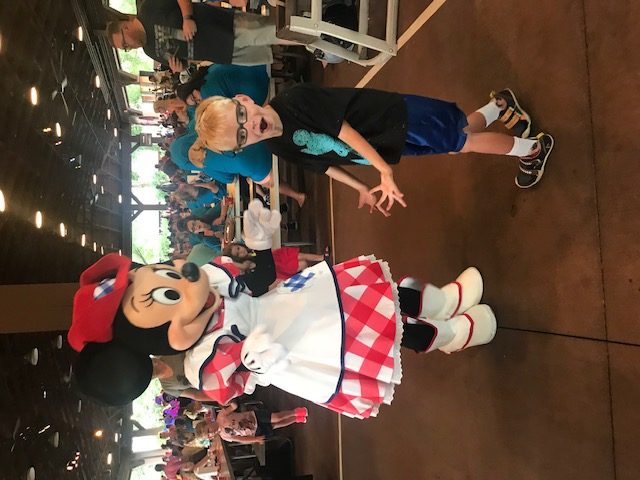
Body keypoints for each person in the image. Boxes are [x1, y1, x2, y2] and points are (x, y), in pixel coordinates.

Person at [69, 200, 497, 419]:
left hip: (301, 300)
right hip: (310, 346)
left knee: (385, 296)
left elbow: (257, 283)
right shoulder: (204, 364)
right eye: (167, 296)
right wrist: (257, 363)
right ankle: (449, 336)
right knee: (386, 337)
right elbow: (242, 382)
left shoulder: (215, 282)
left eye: (167, 273)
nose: (185, 278)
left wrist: (260, 246)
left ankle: (444, 301)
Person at [192, 85, 554, 216]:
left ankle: (533, 150)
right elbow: (323, 165)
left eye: (243, 116)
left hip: (395, 118)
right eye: (242, 136)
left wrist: (383, 171)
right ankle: (499, 106)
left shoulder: (294, 101)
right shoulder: (276, 144)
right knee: (453, 140)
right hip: (387, 144)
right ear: (244, 147)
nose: (252, 126)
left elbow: (345, 132)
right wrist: (362, 187)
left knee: (460, 143)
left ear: (244, 100)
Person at [170, 63, 306, 207]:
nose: (199, 102)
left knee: (261, 179)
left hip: (257, 148)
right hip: (257, 73)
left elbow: (229, 179)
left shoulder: (205, 161)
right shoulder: (200, 122)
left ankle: (297, 195)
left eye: (195, 99)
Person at [106, 0, 302, 69]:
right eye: (126, 49)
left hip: (219, 26)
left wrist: (187, 17)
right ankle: (309, 37)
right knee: (269, 48)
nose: (129, 48)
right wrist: (180, 67)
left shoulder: (148, 9)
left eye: (125, 44)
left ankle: (313, 34)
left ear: (125, 28)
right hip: (222, 53)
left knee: (271, 32)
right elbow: (184, 61)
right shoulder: (149, 51)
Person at [195, 402, 308, 445]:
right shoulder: (224, 436)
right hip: (254, 430)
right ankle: (296, 419)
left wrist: (228, 403)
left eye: (208, 430)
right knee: (275, 425)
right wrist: (255, 439)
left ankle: (295, 412)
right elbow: (241, 439)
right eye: (209, 436)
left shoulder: (221, 416)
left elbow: (233, 406)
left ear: (208, 423)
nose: (211, 433)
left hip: (254, 416)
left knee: (276, 417)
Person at [223, 242, 326, 280]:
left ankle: (322, 258)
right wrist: (229, 262)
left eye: (238, 248)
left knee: (300, 256)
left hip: (277, 257)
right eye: (238, 254)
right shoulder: (247, 263)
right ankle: (322, 270)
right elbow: (244, 267)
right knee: (303, 264)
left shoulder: (250, 247)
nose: (241, 251)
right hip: (277, 268)